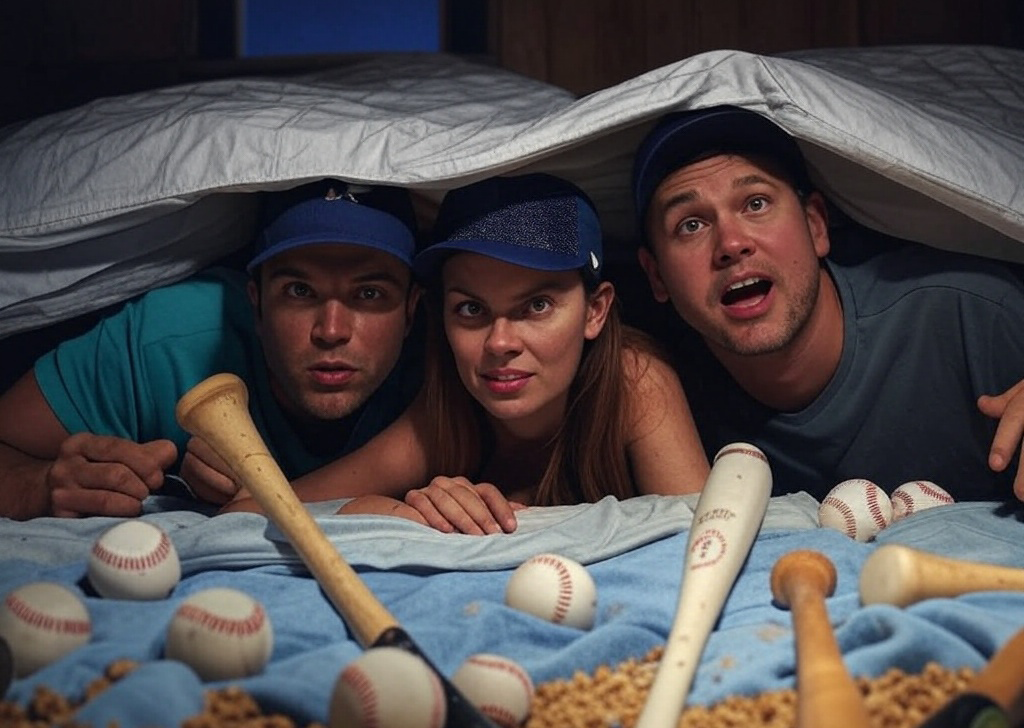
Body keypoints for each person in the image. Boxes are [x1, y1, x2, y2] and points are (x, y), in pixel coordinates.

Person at [222, 173, 710, 533]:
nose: (500, 343)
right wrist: (392, 512)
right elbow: (249, 511)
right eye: (471, 309)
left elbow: (709, 538)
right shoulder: (446, 410)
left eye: (537, 306)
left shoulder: (634, 381)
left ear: (595, 311)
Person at [631, 104, 1024, 503]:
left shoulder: (970, 312)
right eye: (691, 225)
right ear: (657, 276)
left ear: (816, 226)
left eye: (755, 203)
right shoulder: (657, 379)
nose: (731, 244)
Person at [0, 180, 423, 520]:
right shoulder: (171, 335)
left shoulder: (450, 354)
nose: (331, 331)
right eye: (299, 290)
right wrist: (38, 485)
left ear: (411, 310)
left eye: (369, 293)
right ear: (255, 303)